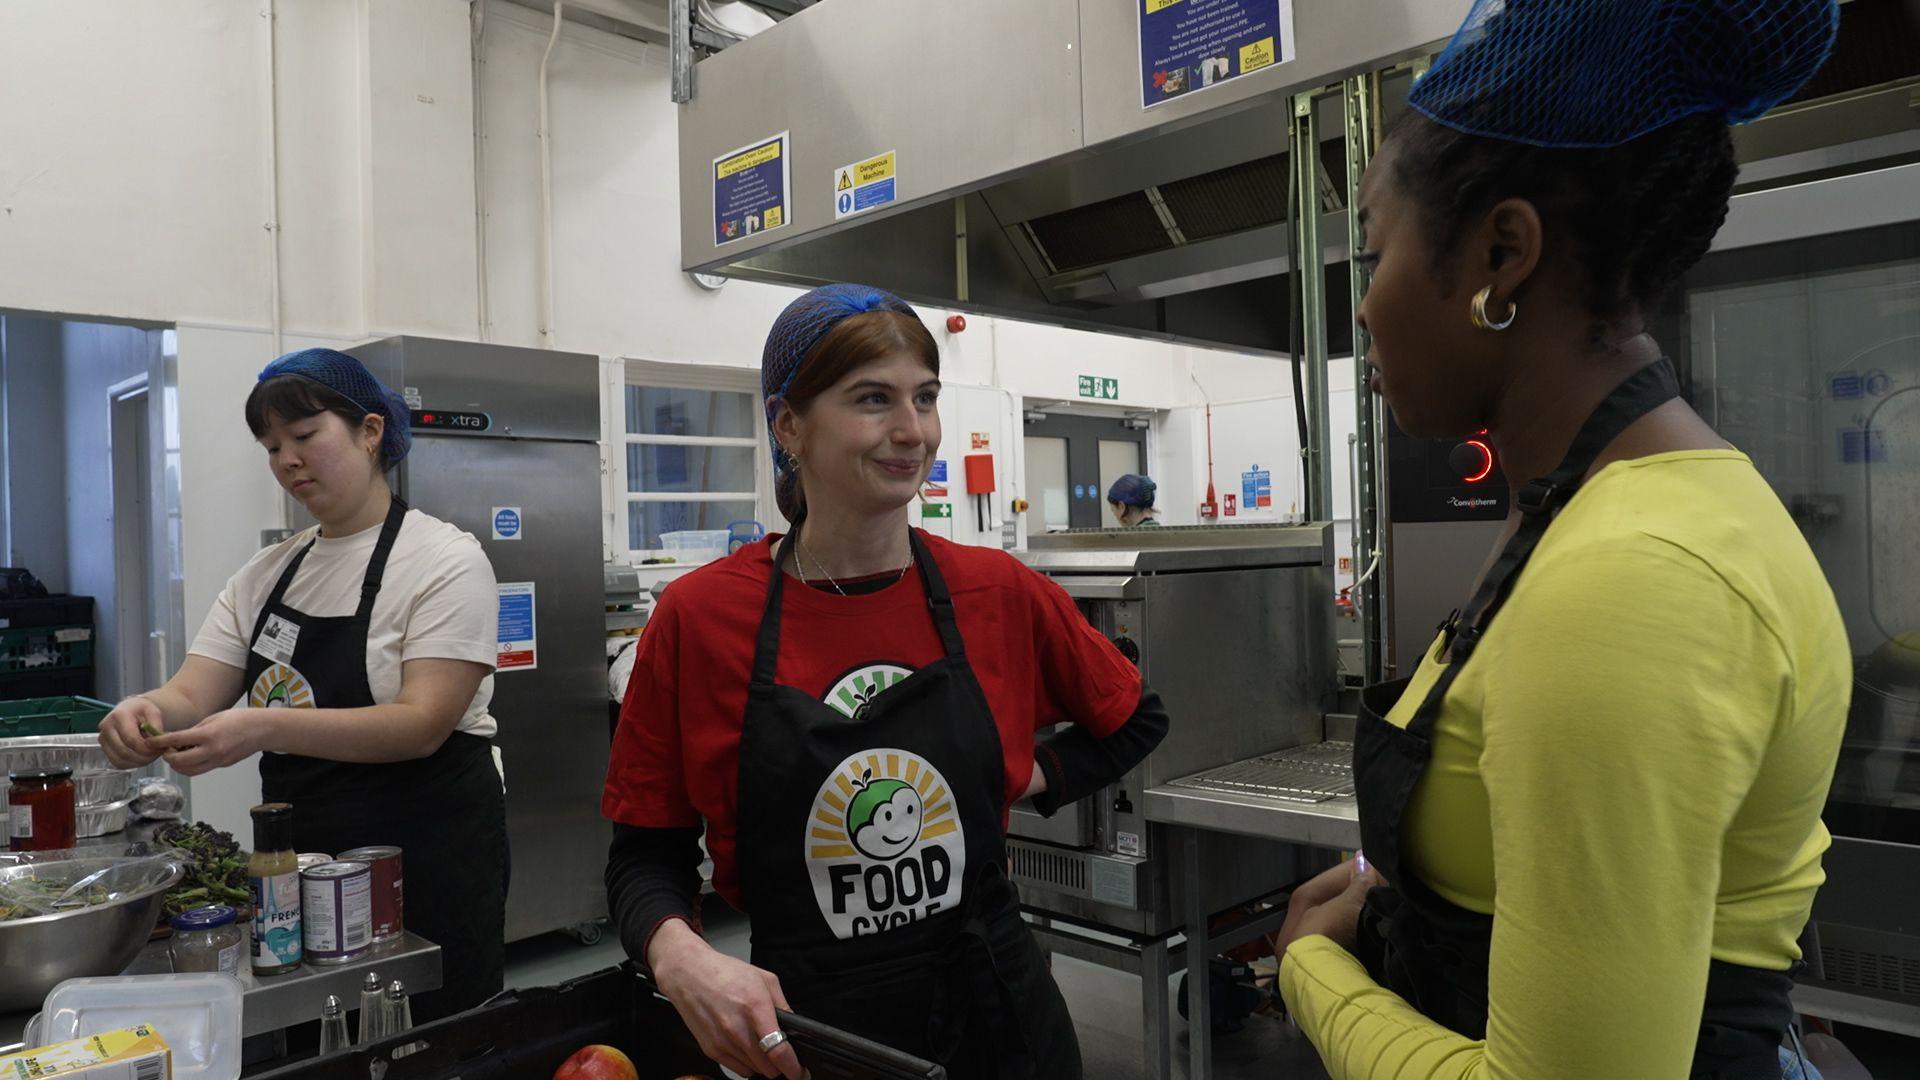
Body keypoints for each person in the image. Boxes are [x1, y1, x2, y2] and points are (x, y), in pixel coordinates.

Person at [1271, 1, 1850, 1077]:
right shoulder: (1616, 508)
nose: (1363, 310)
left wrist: (1312, 971)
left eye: (1373, 254)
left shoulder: (1630, 579)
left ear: (1502, 253)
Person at [603, 284, 1169, 1080]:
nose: (913, 431)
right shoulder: (700, 619)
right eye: (874, 399)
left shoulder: (997, 592)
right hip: (812, 1031)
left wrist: (1026, 773)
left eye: (925, 398)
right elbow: (643, 858)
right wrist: (680, 956)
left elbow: (1136, 719)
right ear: (788, 425)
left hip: (999, 1014)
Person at [99, 348, 507, 1021]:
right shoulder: (266, 574)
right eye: (271, 446)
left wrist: (262, 726)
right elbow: (192, 692)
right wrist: (144, 709)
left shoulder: (444, 560)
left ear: (370, 432)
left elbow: (422, 722)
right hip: (300, 866)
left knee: (438, 1036)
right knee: (315, 1036)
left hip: (429, 855)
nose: (286, 459)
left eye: (305, 436)